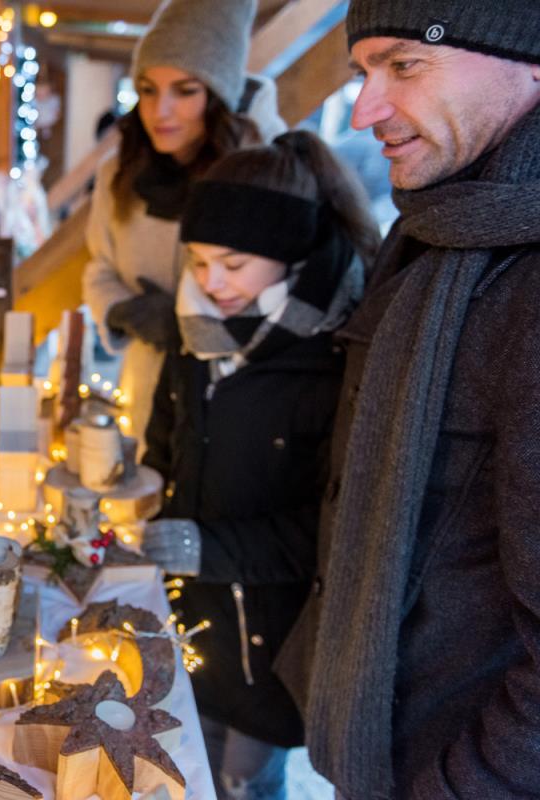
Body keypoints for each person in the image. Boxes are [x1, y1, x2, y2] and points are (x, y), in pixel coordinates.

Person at [266, 4, 540, 798]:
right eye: (363, 72)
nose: (364, 111)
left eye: (405, 65)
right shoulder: (431, 229)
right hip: (377, 742)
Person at [139, 131, 377, 799]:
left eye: (234, 264)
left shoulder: (335, 355)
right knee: (185, 766)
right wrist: (142, 482)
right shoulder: (193, 328)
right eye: (198, 260)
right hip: (188, 616)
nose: (211, 283)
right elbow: (168, 434)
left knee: (242, 781)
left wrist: (204, 548)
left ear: (290, 252)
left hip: (270, 642)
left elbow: (335, 524)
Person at [82, 0, 285, 451]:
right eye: (148, 90)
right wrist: (124, 311)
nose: (161, 111)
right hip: (148, 392)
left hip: (237, 397)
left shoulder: (265, 171)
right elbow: (99, 267)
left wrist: (194, 320)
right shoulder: (119, 173)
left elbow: (289, 286)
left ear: (217, 94)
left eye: (185, 90)